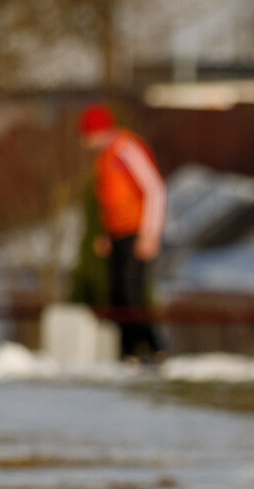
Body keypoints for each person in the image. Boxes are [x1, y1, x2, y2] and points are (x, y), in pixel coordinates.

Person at [79, 103, 167, 360]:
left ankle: (153, 348)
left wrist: (150, 234)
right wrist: (107, 233)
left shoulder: (127, 149)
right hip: (118, 233)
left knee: (131, 293)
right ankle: (129, 352)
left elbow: (155, 189)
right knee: (118, 294)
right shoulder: (106, 156)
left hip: (136, 232)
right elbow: (111, 199)